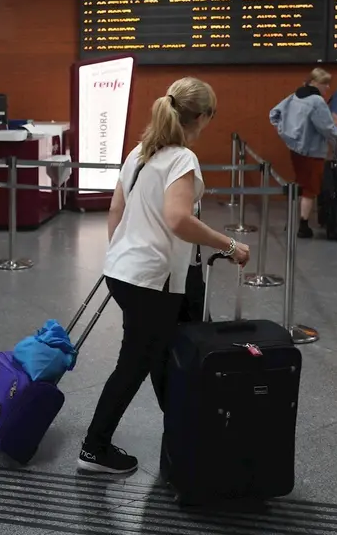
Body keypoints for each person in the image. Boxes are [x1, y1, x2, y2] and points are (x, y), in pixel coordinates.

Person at [77, 78, 250, 476]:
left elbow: (115, 211)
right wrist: (228, 245)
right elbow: (177, 219)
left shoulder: (139, 153)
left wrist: (122, 256)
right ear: (203, 116)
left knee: (159, 355)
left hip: (126, 273)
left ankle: (185, 431)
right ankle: (94, 447)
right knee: (137, 361)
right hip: (152, 281)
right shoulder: (181, 159)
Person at [269, 68, 337, 239]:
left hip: (295, 149)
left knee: (299, 185)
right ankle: (303, 226)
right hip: (313, 151)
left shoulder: (294, 96)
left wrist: (284, 132)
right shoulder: (317, 101)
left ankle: (293, 221)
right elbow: (326, 128)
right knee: (310, 189)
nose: (328, 87)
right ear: (315, 83)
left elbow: (274, 114)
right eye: (325, 83)